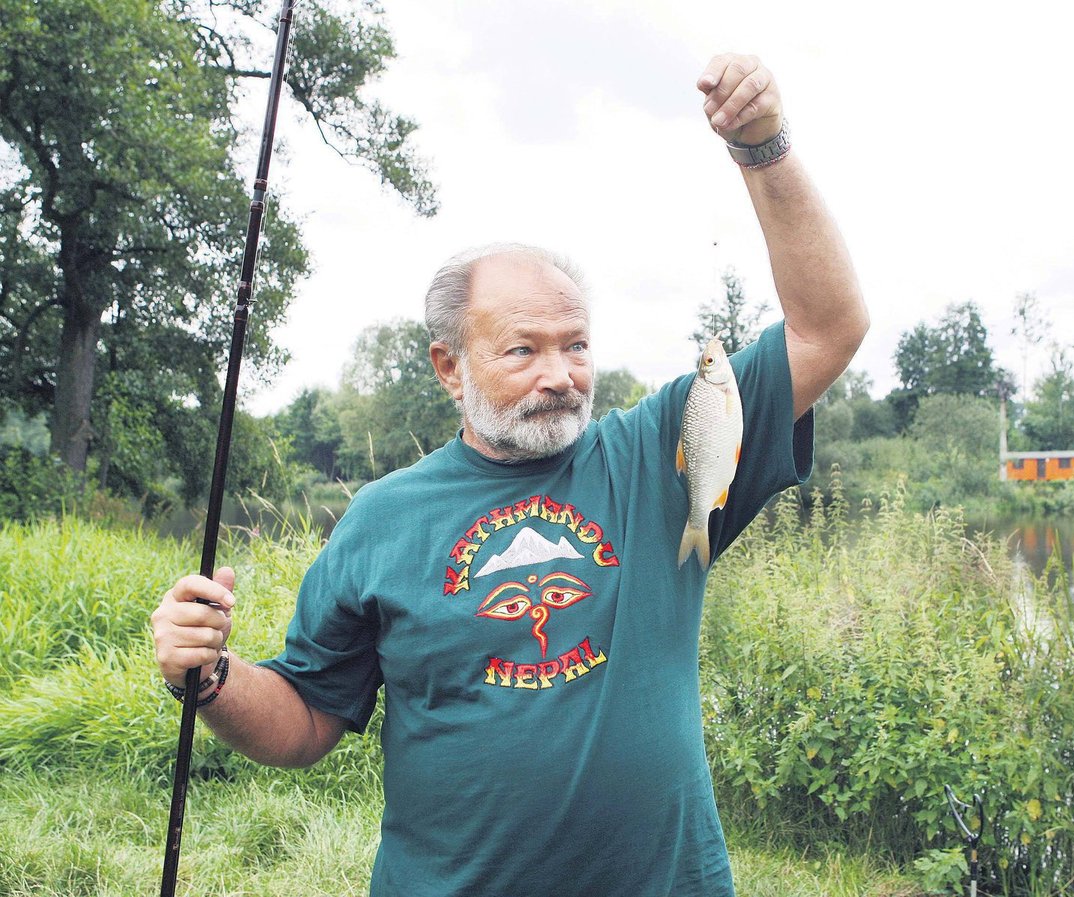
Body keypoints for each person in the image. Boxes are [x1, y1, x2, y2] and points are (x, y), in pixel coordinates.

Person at [152, 53, 869, 897]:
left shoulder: (662, 453)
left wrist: (762, 147)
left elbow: (827, 328)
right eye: (523, 349)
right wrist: (209, 678)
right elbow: (307, 719)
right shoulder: (383, 518)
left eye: (576, 344)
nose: (560, 374)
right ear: (449, 367)